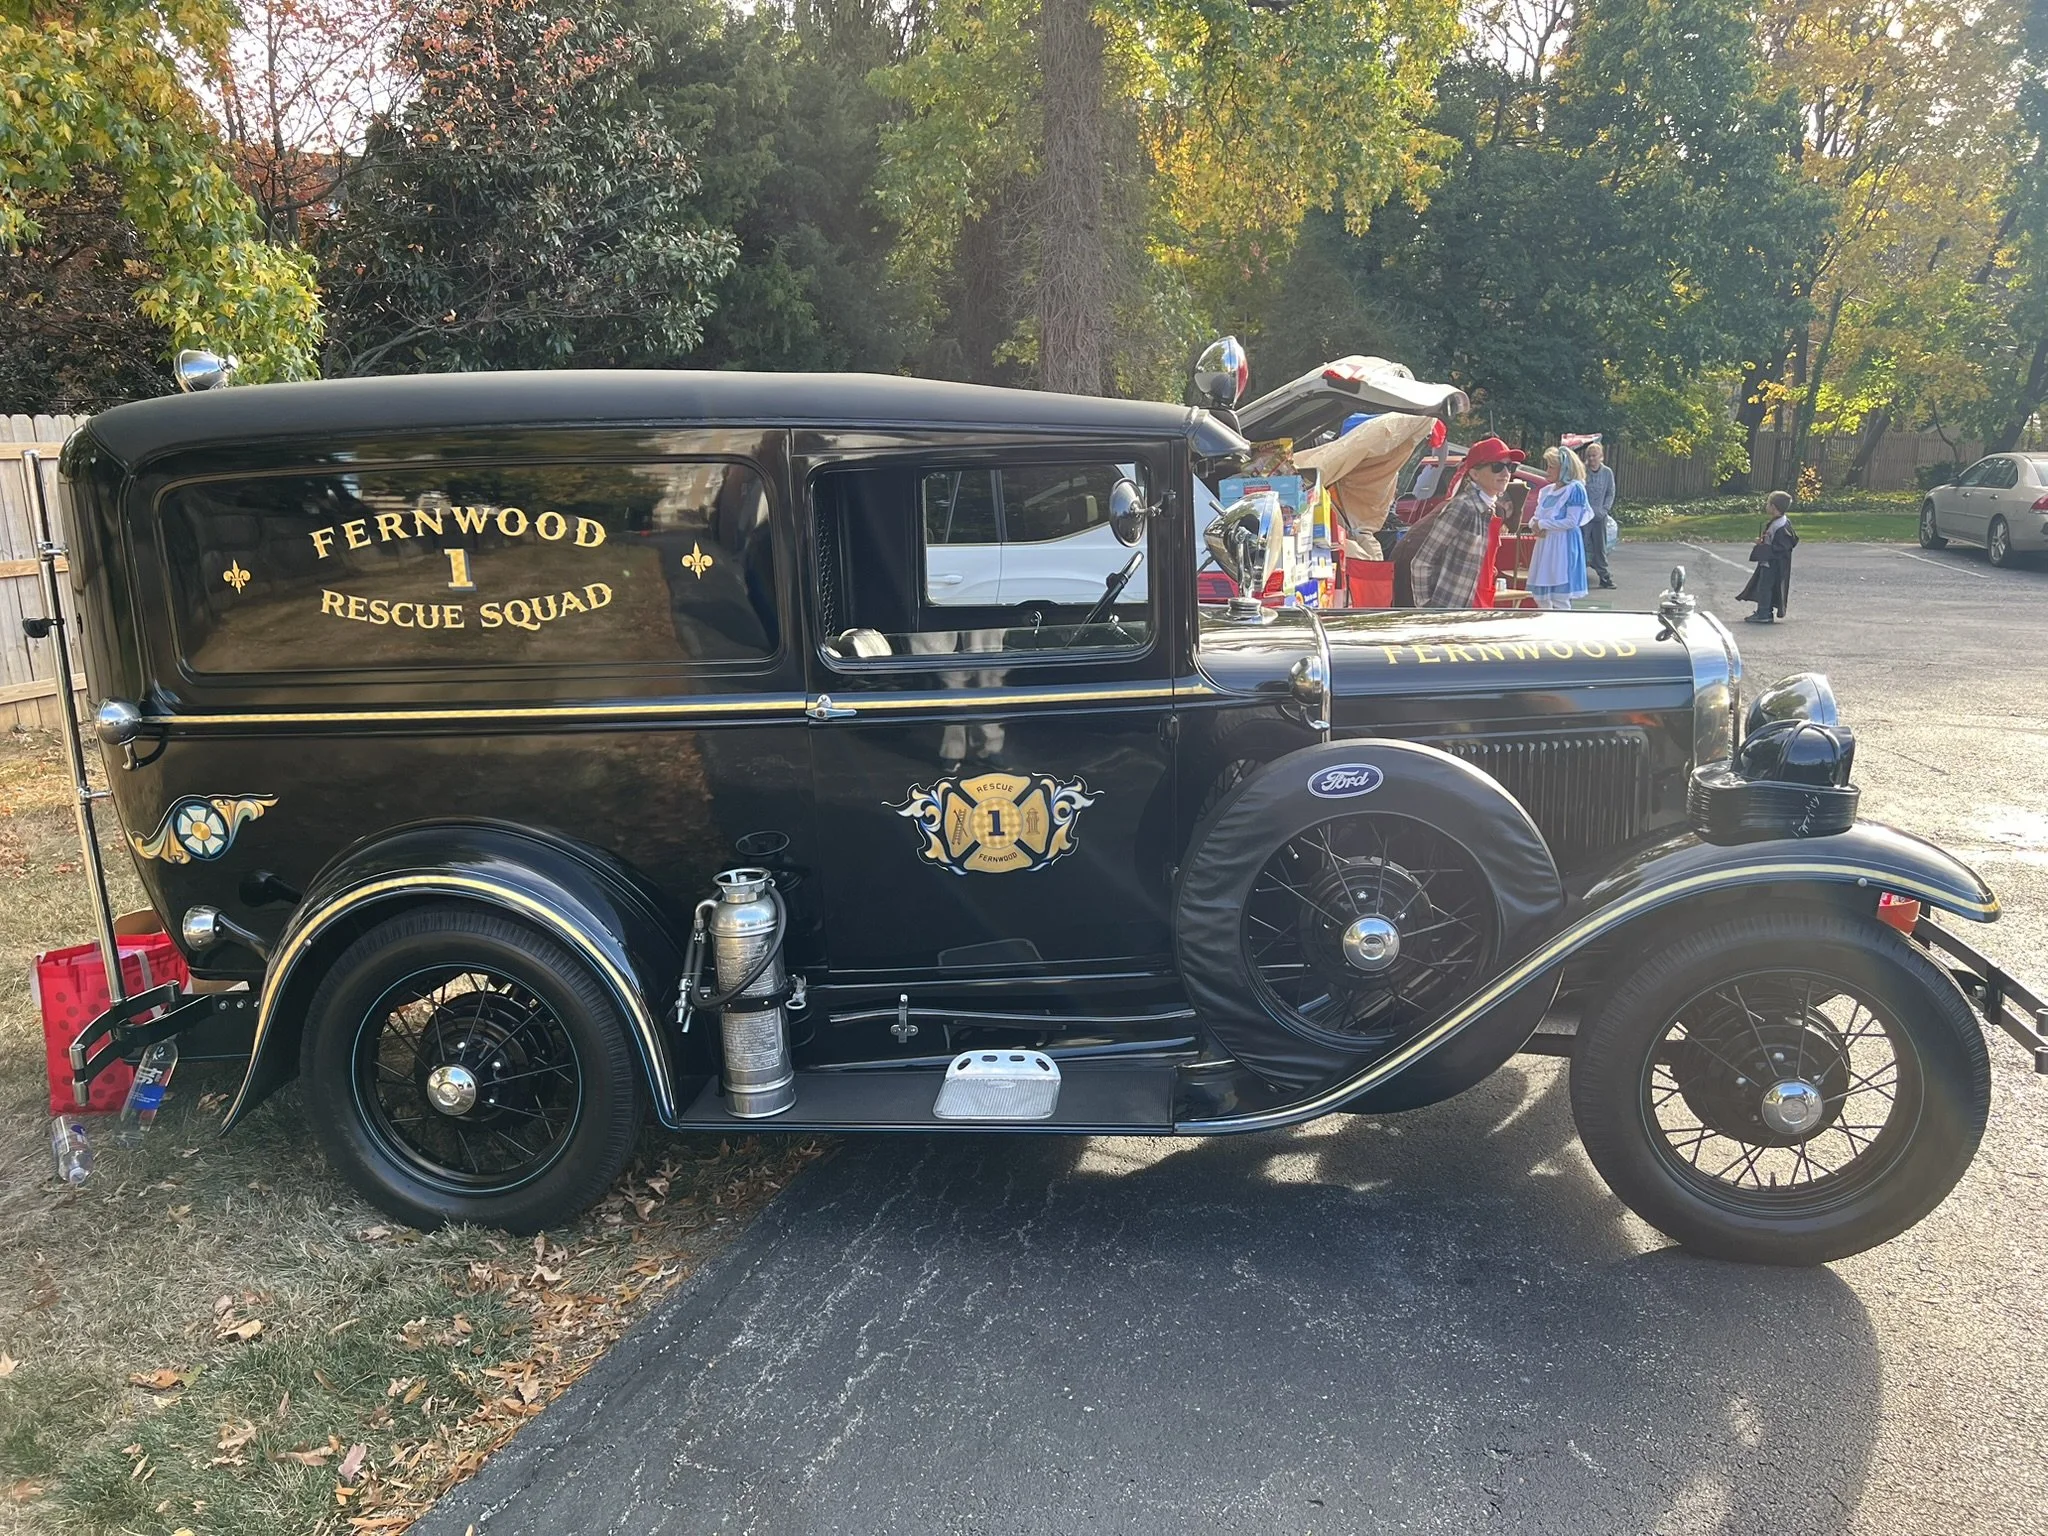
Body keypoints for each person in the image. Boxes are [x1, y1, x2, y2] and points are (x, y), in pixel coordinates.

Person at [1395, 436, 1523, 607]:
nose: (1506, 473)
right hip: (1454, 614)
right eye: (1497, 466)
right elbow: (1422, 562)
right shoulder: (1462, 507)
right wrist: (1428, 608)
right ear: (1474, 473)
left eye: (1510, 466)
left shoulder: (1490, 510)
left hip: (1479, 609)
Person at [1526, 445, 1593, 610]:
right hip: (1545, 544)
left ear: (1564, 469)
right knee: (1542, 598)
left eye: (1551, 467)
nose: (1547, 470)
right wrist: (1533, 524)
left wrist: (1542, 524)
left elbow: (1572, 521)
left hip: (1563, 545)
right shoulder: (1547, 491)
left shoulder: (1574, 489)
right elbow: (1537, 515)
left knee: (1560, 598)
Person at [1738, 491, 1798, 623]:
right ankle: (1765, 611)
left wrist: (1764, 548)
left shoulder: (1780, 526)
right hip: (1770, 561)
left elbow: (1782, 547)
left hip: (1773, 563)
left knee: (1765, 587)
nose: (1766, 506)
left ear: (1774, 507)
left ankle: (1764, 613)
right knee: (1765, 586)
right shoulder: (1780, 522)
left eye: (1768, 503)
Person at [1582, 441, 1616, 589]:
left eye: (1594, 455)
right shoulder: (1583, 471)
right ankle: (1578, 576)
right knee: (1581, 545)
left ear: (1601, 456)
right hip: (1584, 515)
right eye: (1589, 456)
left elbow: (1610, 492)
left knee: (1600, 546)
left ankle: (1604, 575)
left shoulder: (1607, 472)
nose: (1591, 459)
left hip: (1599, 515)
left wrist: (1605, 509)